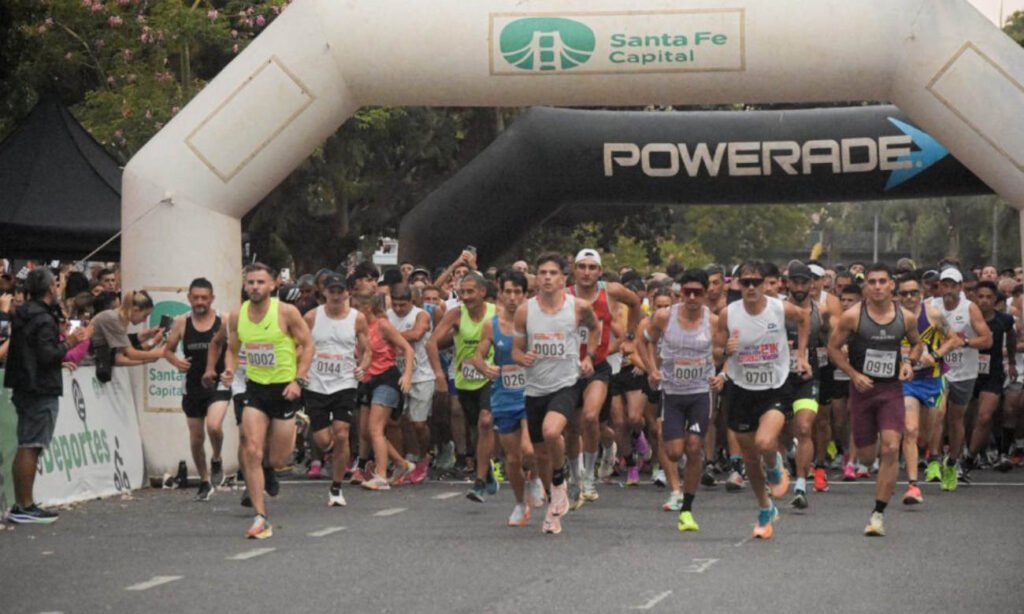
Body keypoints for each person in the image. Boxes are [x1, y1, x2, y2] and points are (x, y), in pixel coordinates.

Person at [717, 260, 811, 540]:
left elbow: (805, 318)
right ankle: (764, 507)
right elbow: (714, 351)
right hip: (742, 389)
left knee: (764, 443)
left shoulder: (779, 308)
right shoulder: (727, 314)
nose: (750, 288)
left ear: (764, 284)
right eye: (744, 282)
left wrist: (802, 354)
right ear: (737, 284)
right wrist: (724, 350)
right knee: (749, 457)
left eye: (755, 282)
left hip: (775, 386)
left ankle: (774, 465)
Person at [830, 263, 923, 536]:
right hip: (862, 391)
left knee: (892, 447)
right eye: (873, 282)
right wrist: (852, 373)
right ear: (865, 287)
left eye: (883, 281)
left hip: (890, 389)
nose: (878, 286)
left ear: (892, 285)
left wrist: (909, 362)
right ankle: (873, 451)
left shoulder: (904, 317)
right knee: (868, 457)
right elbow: (834, 349)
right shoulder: (852, 317)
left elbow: (917, 343)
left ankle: (878, 514)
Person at [222, 263, 314, 539]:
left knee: (278, 458)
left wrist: (298, 380)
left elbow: (309, 346)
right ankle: (260, 516)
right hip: (256, 389)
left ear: (273, 284)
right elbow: (232, 348)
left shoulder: (286, 312)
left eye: (260, 282)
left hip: (285, 390)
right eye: (250, 282)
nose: (254, 287)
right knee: (251, 449)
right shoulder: (238, 315)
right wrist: (229, 369)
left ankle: (273, 462)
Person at [513, 254, 599, 535]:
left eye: (553, 273)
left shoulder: (578, 308)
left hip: (566, 383)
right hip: (534, 388)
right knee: (541, 456)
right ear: (536, 279)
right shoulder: (525, 311)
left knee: (552, 432)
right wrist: (522, 357)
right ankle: (553, 509)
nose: (547, 277)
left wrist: (590, 357)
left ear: (564, 279)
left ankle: (561, 482)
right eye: (542, 273)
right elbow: (516, 348)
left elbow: (595, 330)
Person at [4, 268, 88, 523]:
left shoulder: (26, 314)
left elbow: (32, 352)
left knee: (28, 443)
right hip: (39, 387)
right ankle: (24, 505)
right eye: (56, 284)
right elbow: (47, 355)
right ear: (50, 288)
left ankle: (24, 503)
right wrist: (70, 342)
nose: (58, 287)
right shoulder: (42, 319)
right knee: (31, 444)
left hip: (25, 385)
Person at [642, 269, 724, 532]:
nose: (691, 297)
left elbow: (726, 351)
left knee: (693, 446)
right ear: (680, 293)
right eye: (686, 292)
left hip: (700, 393)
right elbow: (644, 343)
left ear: (704, 294)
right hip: (672, 393)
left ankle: (687, 507)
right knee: (675, 452)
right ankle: (684, 478)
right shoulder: (666, 317)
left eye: (696, 292)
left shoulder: (713, 322)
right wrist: (652, 369)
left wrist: (722, 374)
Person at [469, 269, 543, 526]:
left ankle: (534, 478)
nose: (512, 298)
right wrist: (483, 367)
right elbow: (478, 355)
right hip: (503, 397)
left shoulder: (534, 322)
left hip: (530, 394)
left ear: (525, 295)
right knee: (512, 459)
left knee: (527, 449)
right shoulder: (492, 325)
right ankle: (520, 502)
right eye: (507, 292)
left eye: (517, 292)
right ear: (500, 293)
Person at [567, 249, 641, 505]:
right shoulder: (564, 295)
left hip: (598, 365)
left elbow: (635, 303)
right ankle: (575, 476)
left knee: (591, 417)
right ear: (574, 270)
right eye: (582, 267)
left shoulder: (611, 291)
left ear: (599, 271)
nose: (586, 272)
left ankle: (588, 477)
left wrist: (630, 337)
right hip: (568, 369)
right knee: (571, 427)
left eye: (591, 267)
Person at [427, 272, 499, 502]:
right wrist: (439, 375)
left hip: (490, 377)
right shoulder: (456, 314)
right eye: (462, 292)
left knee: (486, 421)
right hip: (464, 380)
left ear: (482, 292)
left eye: (470, 292)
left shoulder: (495, 313)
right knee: (475, 428)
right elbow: (431, 343)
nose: (465, 297)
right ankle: (485, 470)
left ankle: (479, 482)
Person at [303, 273, 370, 506]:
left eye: (340, 291)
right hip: (316, 383)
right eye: (332, 291)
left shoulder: (357, 318)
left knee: (342, 432)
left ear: (347, 293)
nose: (336, 295)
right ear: (324, 293)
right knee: (323, 440)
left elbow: (367, 349)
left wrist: (363, 367)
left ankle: (336, 487)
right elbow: (298, 344)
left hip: (345, 382)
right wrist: (299, 370)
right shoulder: (311, 317)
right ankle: (332, 451)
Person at [163, 278, 230, 501]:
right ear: (189, 298)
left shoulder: (223, 320)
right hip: (192, 385)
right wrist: (176, 361)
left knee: (213, 425)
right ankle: (204, 480)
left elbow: (234, 347)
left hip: (217, 382)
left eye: (204, 297)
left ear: (212, 298)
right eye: (196, 297)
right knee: (196, 438)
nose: (200, 302)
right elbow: (168, 350)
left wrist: (230, 369)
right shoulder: (182, 322)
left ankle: (217, 458)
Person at [930, 268, 991, 491]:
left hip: (964, 371)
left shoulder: (970, 308)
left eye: (952, 285)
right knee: (938, 412)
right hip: (939, 370)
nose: (948, 289)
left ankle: (952, 463)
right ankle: (934, 460)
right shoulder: (932, 306)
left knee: (956, 420)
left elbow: (987, 340)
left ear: (960, 287)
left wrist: (964, 343)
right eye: (944, 285)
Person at [896, 274, 954, 504]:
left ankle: (943, 459)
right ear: (897, 295)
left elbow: (954, 339)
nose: (909, 297)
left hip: (932, 378)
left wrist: (936, 355)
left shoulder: (933, 314)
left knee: (927, 435)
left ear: (921, 293)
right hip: (907, 380)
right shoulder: (893, 316)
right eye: (904, 293)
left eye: (913, 293)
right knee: (910, 430)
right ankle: (913, 485)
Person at [352, 292, 415, 490]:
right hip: (368, 380)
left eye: (356, 308)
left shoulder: (382, 325)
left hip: (386, 378)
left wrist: (407, 375)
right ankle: (402, 464)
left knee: (375, 428)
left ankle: (381, 475)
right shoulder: (358, 329)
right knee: (365, 431)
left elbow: (407, 348)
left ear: (367, 308)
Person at [964, 281, 1015, 476]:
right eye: (981, 297)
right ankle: (968, 451)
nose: (984, 301)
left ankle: (970, 458)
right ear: (974, 298)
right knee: (967, 418)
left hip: (992, 373)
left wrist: (1010, 362)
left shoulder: (1004, 320)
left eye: (989, 297)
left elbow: (1011, 338)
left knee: (984, 416)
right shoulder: (967, 318)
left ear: (995, 300)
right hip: (968, 372)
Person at [387, 283, 434, 483]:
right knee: (395, 421)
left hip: (421, 375)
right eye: (395, 305)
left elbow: (416, 334)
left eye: (403, 305)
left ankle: (425, 455)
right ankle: (401, 461)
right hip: (395, 374)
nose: (398, 309)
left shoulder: (421, 315)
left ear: (411, 302)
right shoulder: (386, 316)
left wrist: (388, 336)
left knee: (419, 423)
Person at [89, 290, 166, 366]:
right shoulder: (113, 319)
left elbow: (119, 358)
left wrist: (151, 340)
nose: (144, 320)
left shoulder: (118, 319)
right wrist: (157, 353)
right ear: (136, 310)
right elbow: (132, 354)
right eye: (144, 315)